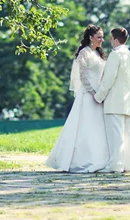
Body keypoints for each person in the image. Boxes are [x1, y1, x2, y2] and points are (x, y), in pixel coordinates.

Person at [45, 24, 110, 173]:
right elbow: (83, 76)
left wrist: (102, 93)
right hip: (88, 95)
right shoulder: (84, 54)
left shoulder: (100, 55)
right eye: (99, 37)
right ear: (91, 37)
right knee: (85, 127)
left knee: (99, 128)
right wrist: (93, 93)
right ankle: (81, 160)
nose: (102, 40)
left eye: (102, 36)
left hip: (100, 94)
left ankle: (100, 159)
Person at [94, 27, 130, 173]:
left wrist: (98, 96)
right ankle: (126, 165)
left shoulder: (115, 54)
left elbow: (108, 79)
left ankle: (114, 166)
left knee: (115, 136)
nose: (110, 41)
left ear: (116, 40)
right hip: (127, 101)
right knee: (127, 135)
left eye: (111, 38)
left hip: (113, 101)